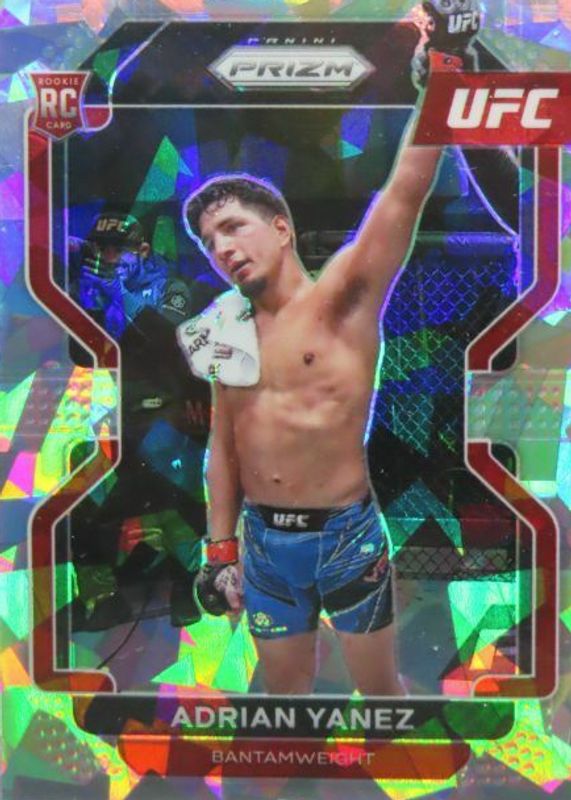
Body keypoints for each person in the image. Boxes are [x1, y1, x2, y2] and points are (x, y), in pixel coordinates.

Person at [181, 3, 483, 694]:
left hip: (345, 535)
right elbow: (223, 443)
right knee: (283, 696)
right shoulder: (226, 326)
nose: (223, 248)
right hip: (262, 542)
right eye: (209, 241)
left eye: (234, 226)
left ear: (281, 228)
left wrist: (443, 73)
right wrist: (218, 551)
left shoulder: (343, 297)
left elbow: (403, 192)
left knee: (379, 695)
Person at [68, 211, 214, 630]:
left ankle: (187, 585)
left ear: (143, 250)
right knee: (78, 491)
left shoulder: (171, 288)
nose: (108, 257)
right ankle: (103, 597)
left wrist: (117, 294)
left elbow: (169, 339)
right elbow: (80, 355)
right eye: (101, 249)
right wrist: (88, 299)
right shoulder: (94, 290)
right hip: (117, 421)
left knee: (176, 491)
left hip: (173, 417)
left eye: (118, 249)